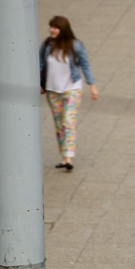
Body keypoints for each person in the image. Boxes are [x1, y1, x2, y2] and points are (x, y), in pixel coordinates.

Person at [39, 15, 97, 170]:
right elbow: (40, 65)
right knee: (59, 124)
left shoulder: (75, 46)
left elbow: (85, 64)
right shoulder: (46, 45)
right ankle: (63, 157)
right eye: (51, 27)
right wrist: (39, 83)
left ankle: (69, 157)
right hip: (53, 90)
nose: (52, 30)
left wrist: (92, 85)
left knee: (68, 122)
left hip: (72, 88)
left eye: (55, 27)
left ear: (63, 29)